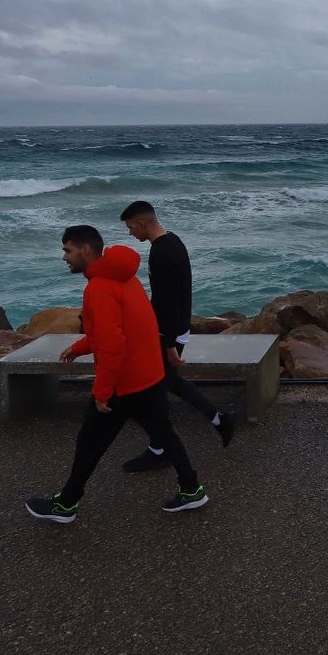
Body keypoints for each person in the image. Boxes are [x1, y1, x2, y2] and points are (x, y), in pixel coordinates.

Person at [25, 225, 208, 523]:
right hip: (149, 374)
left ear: (86, 250)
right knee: (164, 432)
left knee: (90, 441)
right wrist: (80, 346)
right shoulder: (125, 277)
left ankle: (66, 505)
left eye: (67, 250)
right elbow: (121, 329)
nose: (64, 257)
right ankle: (192, 489)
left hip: (125, 383)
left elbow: (112, 344)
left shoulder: (98, 288)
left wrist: (101, 390)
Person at [118, 199, 235, 474]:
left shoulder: (160, 253)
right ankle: (211, 424)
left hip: (168, 333)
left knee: (156, 390)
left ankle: (164, 449)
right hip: (176, 329)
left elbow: (166, 302)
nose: (130, 233)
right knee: (166, 385)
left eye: (130, 227)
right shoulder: (173, 241)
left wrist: (168, 343)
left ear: (142, 223)